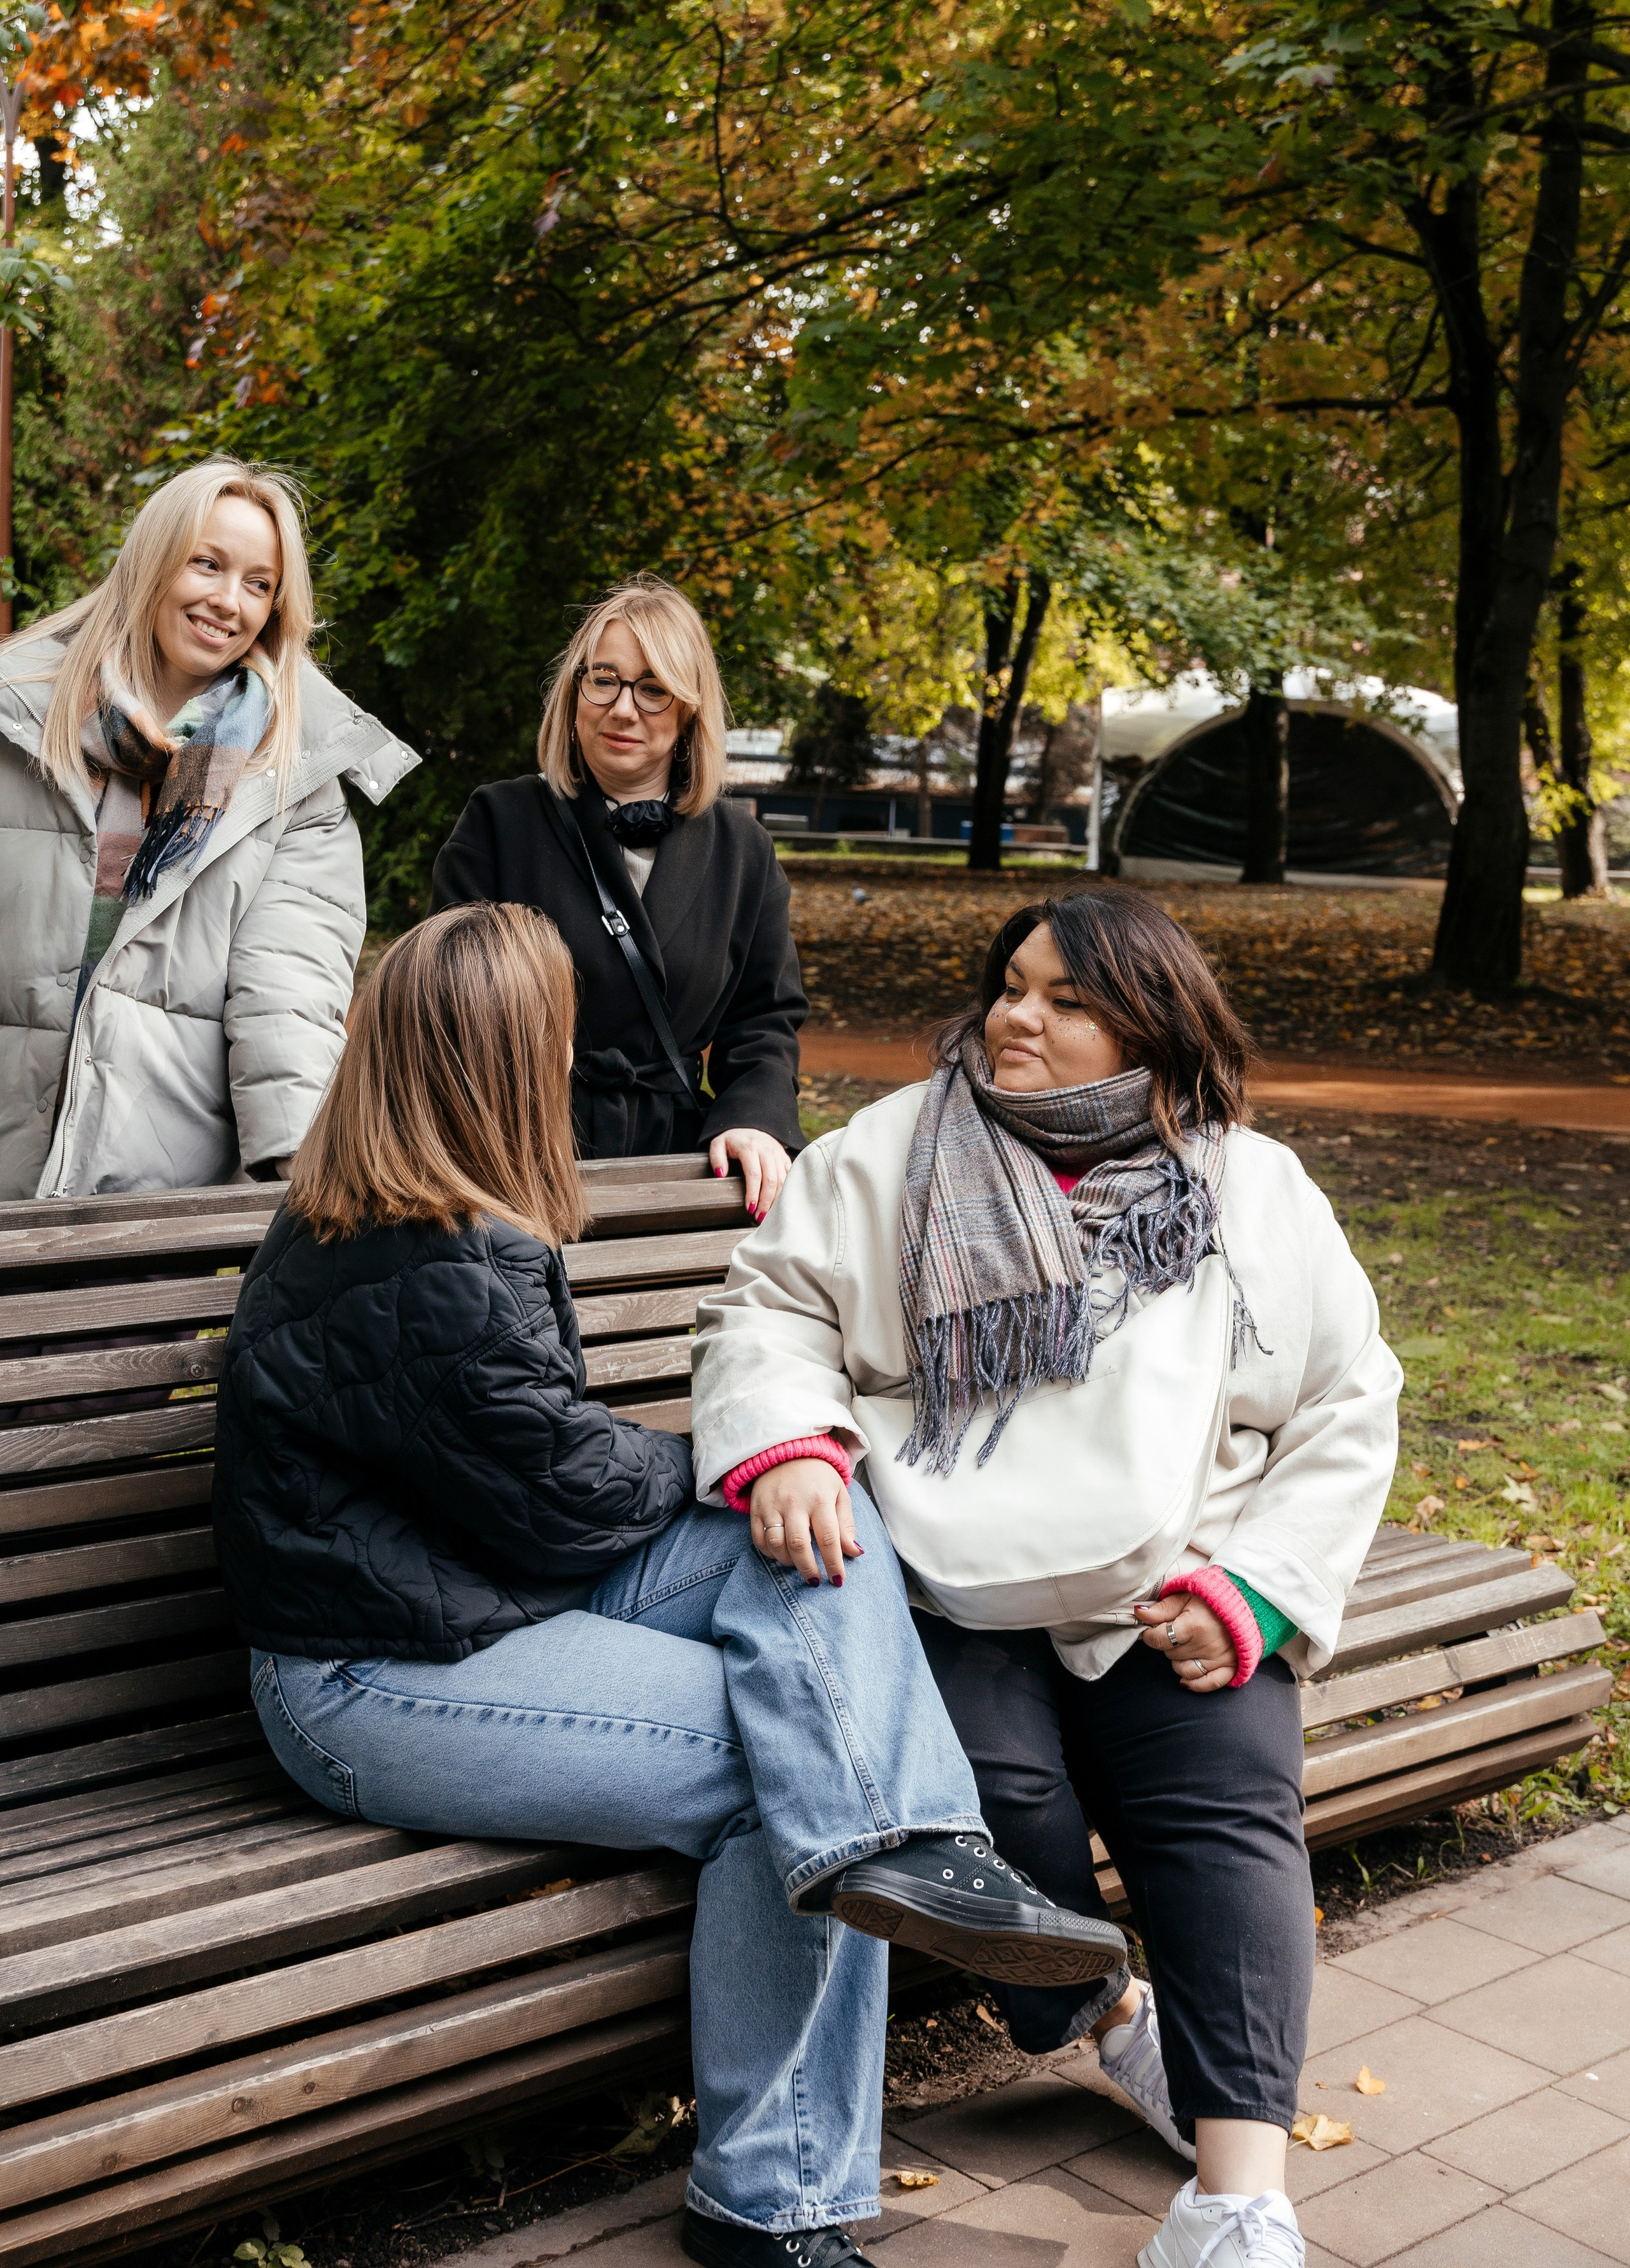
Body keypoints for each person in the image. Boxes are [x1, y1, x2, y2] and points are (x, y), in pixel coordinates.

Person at [211, 898, 1126, 2268]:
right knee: (793, 1767)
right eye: (557, 1031)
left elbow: (547, 1500)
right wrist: (719, 1456)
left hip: (485, 1596)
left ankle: (922, 1845)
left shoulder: (433, 1210)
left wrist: (778, 1463)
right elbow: (563, 1495)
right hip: (372, 1679)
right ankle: (772, 2205)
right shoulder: (420, 1259)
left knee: (821, 1517)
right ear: (502, 1059)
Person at [690, 886, 1401, 2268]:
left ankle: (1236, 2203)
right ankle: (1108, 2021)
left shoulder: (1247, 1186)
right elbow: (769, 1309)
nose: (1016, 1015)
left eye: (1067, 1000)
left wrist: (1252, 1591)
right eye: (1011, 984)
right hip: (943, 1579)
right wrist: (789, 1447)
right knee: (988, 1801)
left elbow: (1346, 1398)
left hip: (1174, 1573)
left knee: (1227, 1805)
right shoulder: (889, 1154)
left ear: (1152, 1031)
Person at [0, 457, 416, 1200]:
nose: (230, 601)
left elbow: (285, 998)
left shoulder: (292, 780)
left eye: (260, 584)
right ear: (154, 563)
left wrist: (301, 1183)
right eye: (208, 564)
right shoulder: (18, 720)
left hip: (149, 1205)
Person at [432, 574, 803, 1220]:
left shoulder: (742, 849)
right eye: (604, 679)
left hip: (675, 1161)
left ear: (689, 708)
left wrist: (754, 1117)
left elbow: (765, 1020)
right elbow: (444, 989)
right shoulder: (500, 820)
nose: (624, 708)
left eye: (653, 688)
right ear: (575, 690)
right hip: (518, 1154)